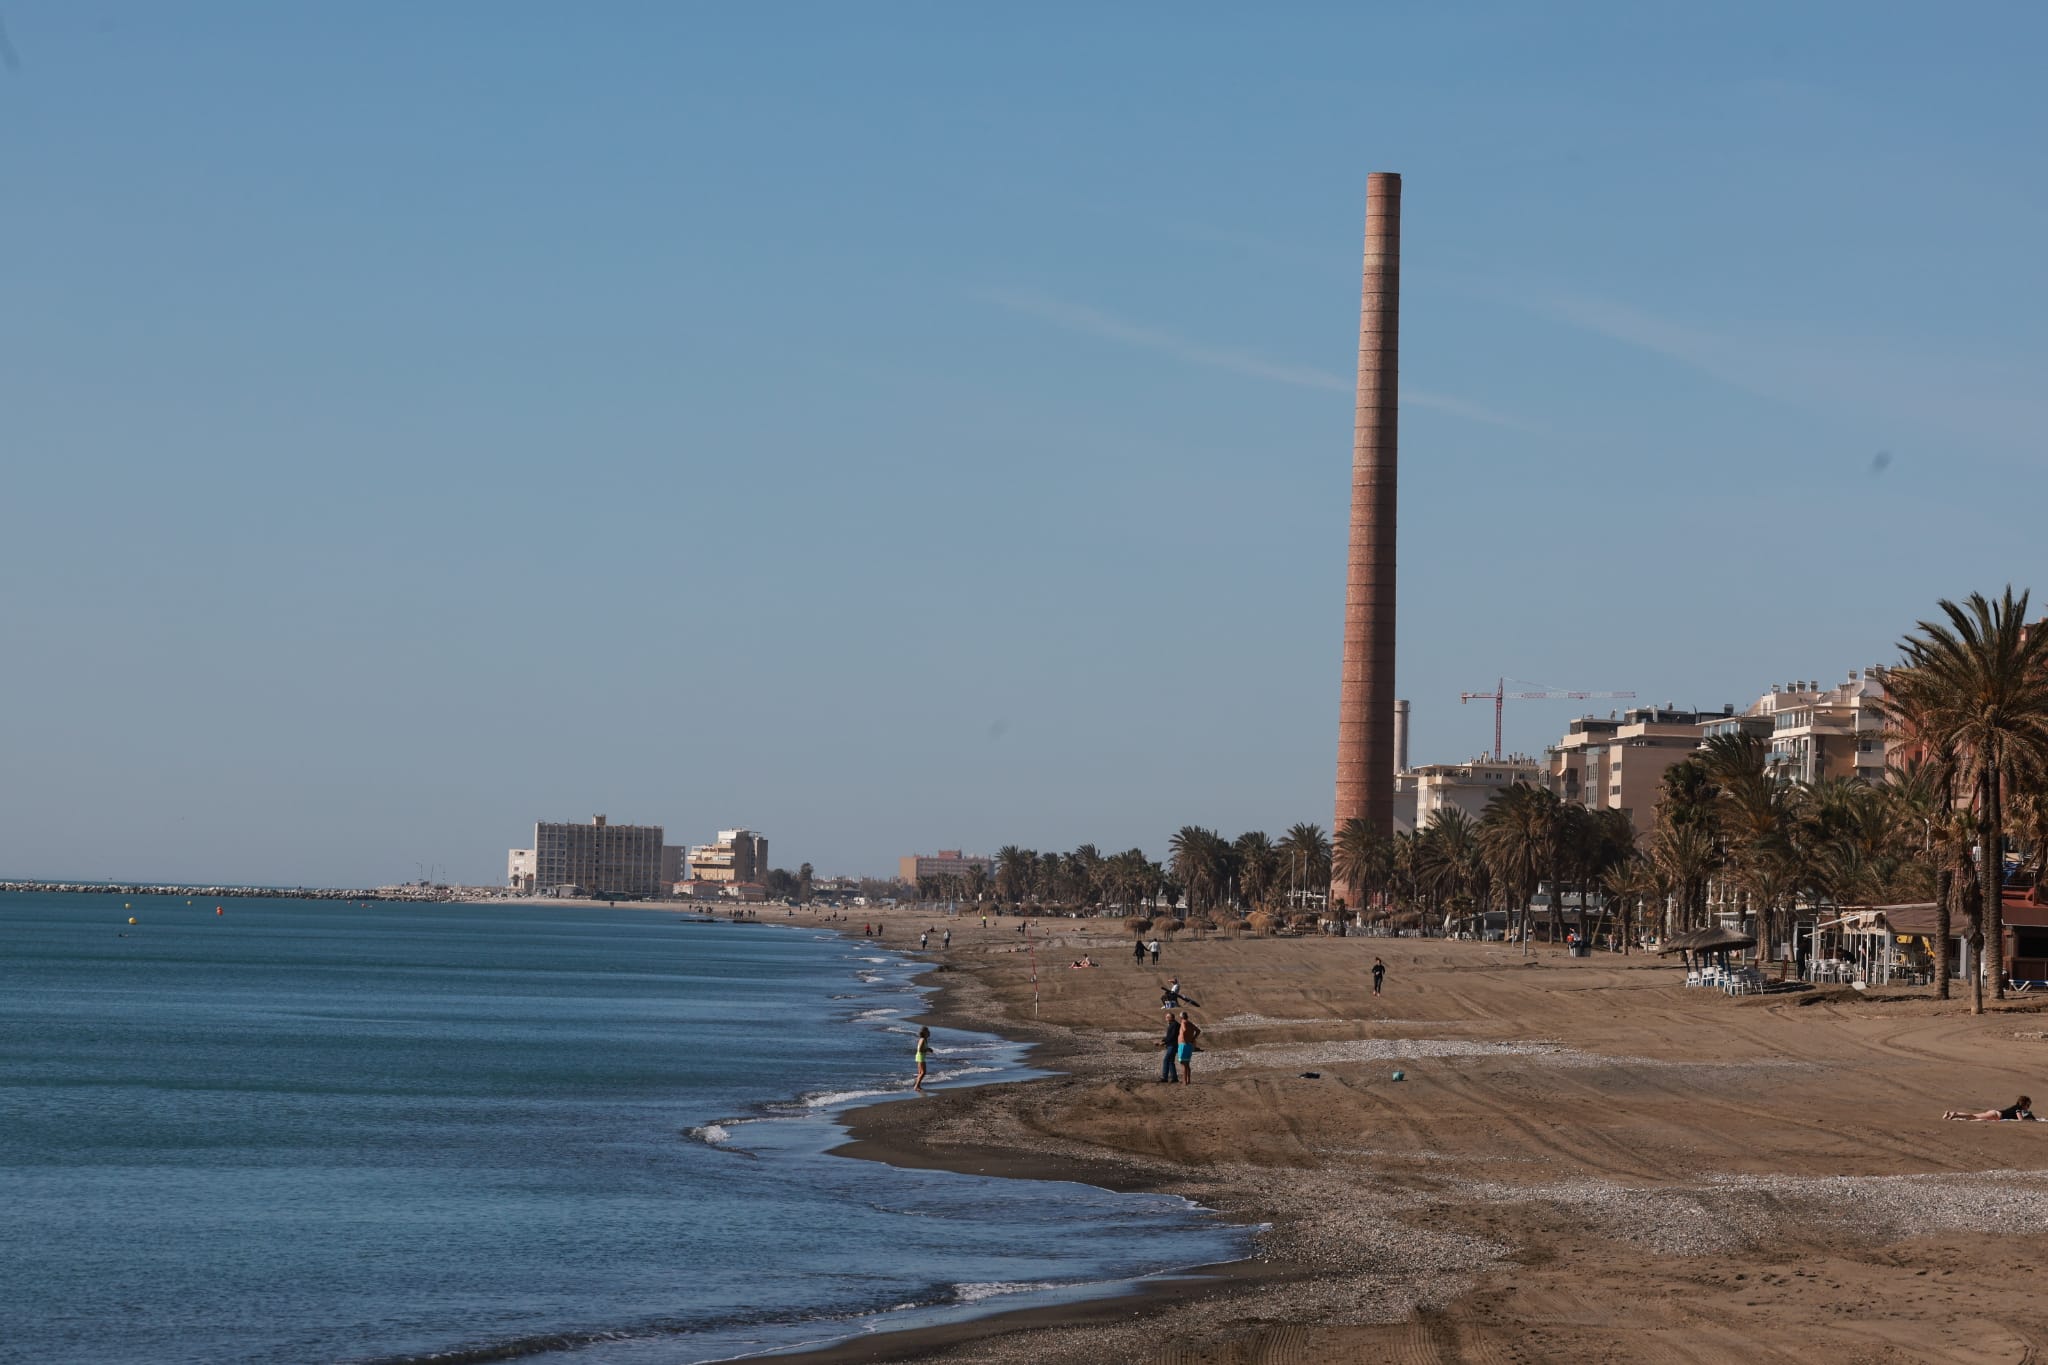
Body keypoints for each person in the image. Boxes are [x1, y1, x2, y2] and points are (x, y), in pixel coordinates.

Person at [1946, 1095, 2036, 1121]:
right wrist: (2029, 1117)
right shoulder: (2018, 1108)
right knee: (1974, 1117)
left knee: (1974, 1116)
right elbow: (2020, 1120)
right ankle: (1955, 1115)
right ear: (2024, 1104)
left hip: (1995, 1113)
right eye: (2028, 1105)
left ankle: (1952, 1114)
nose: (2028, 1107)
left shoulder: (2016, 1107)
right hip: (1996, 1115)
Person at [1176, 1012, 1201, 1085]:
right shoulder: (1190, 1023)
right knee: (1187, 1064)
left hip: (1183, 1045)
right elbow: (1198, 1031)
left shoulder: (1183, 1022)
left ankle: (1184, 1081)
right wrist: (1193, 1038)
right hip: (1189, 1044)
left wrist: (1184, 1038)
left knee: (1183, 1063)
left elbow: (1184, 1030)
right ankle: (1188, 1080)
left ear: (1181, 1017)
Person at [1158, 1013, 1181, 1083]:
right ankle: (1174, 1078)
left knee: (1166, 1060)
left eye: (1167, 1017)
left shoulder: (1175, 1025)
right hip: (1171, 1045)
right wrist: (1163, 1040)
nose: (1166, 1019)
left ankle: (1165, 1077)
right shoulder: (1173, 1024)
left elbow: (1173, 1036)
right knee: (1171, 1061)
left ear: (1171, 1018)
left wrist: (1164, 1042)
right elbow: (1169, 1036)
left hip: (1172, 1045)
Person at [914, 1026, 932, 1093]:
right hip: (920, 1057)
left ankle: (917, 1085)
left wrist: (928, 1049)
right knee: (923, 1072)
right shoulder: (923, 1039)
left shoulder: (923, 1039)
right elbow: (920, 1050)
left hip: (920, 1056)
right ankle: (916, 1086)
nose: (929, 1032)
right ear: (924, 1033)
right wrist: (928, 1049)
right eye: (928, 1031)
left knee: (920, 1073)